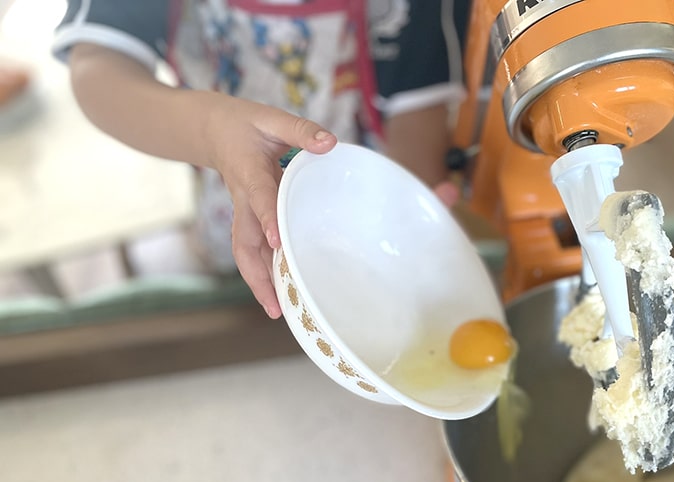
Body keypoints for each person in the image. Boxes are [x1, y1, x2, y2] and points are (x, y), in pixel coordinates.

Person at [52, 0, 470, 319]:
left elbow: (420, 109)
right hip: (232, 220)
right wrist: (211, 131)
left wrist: (402, 217)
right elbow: (98, 68)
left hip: (364, 230)